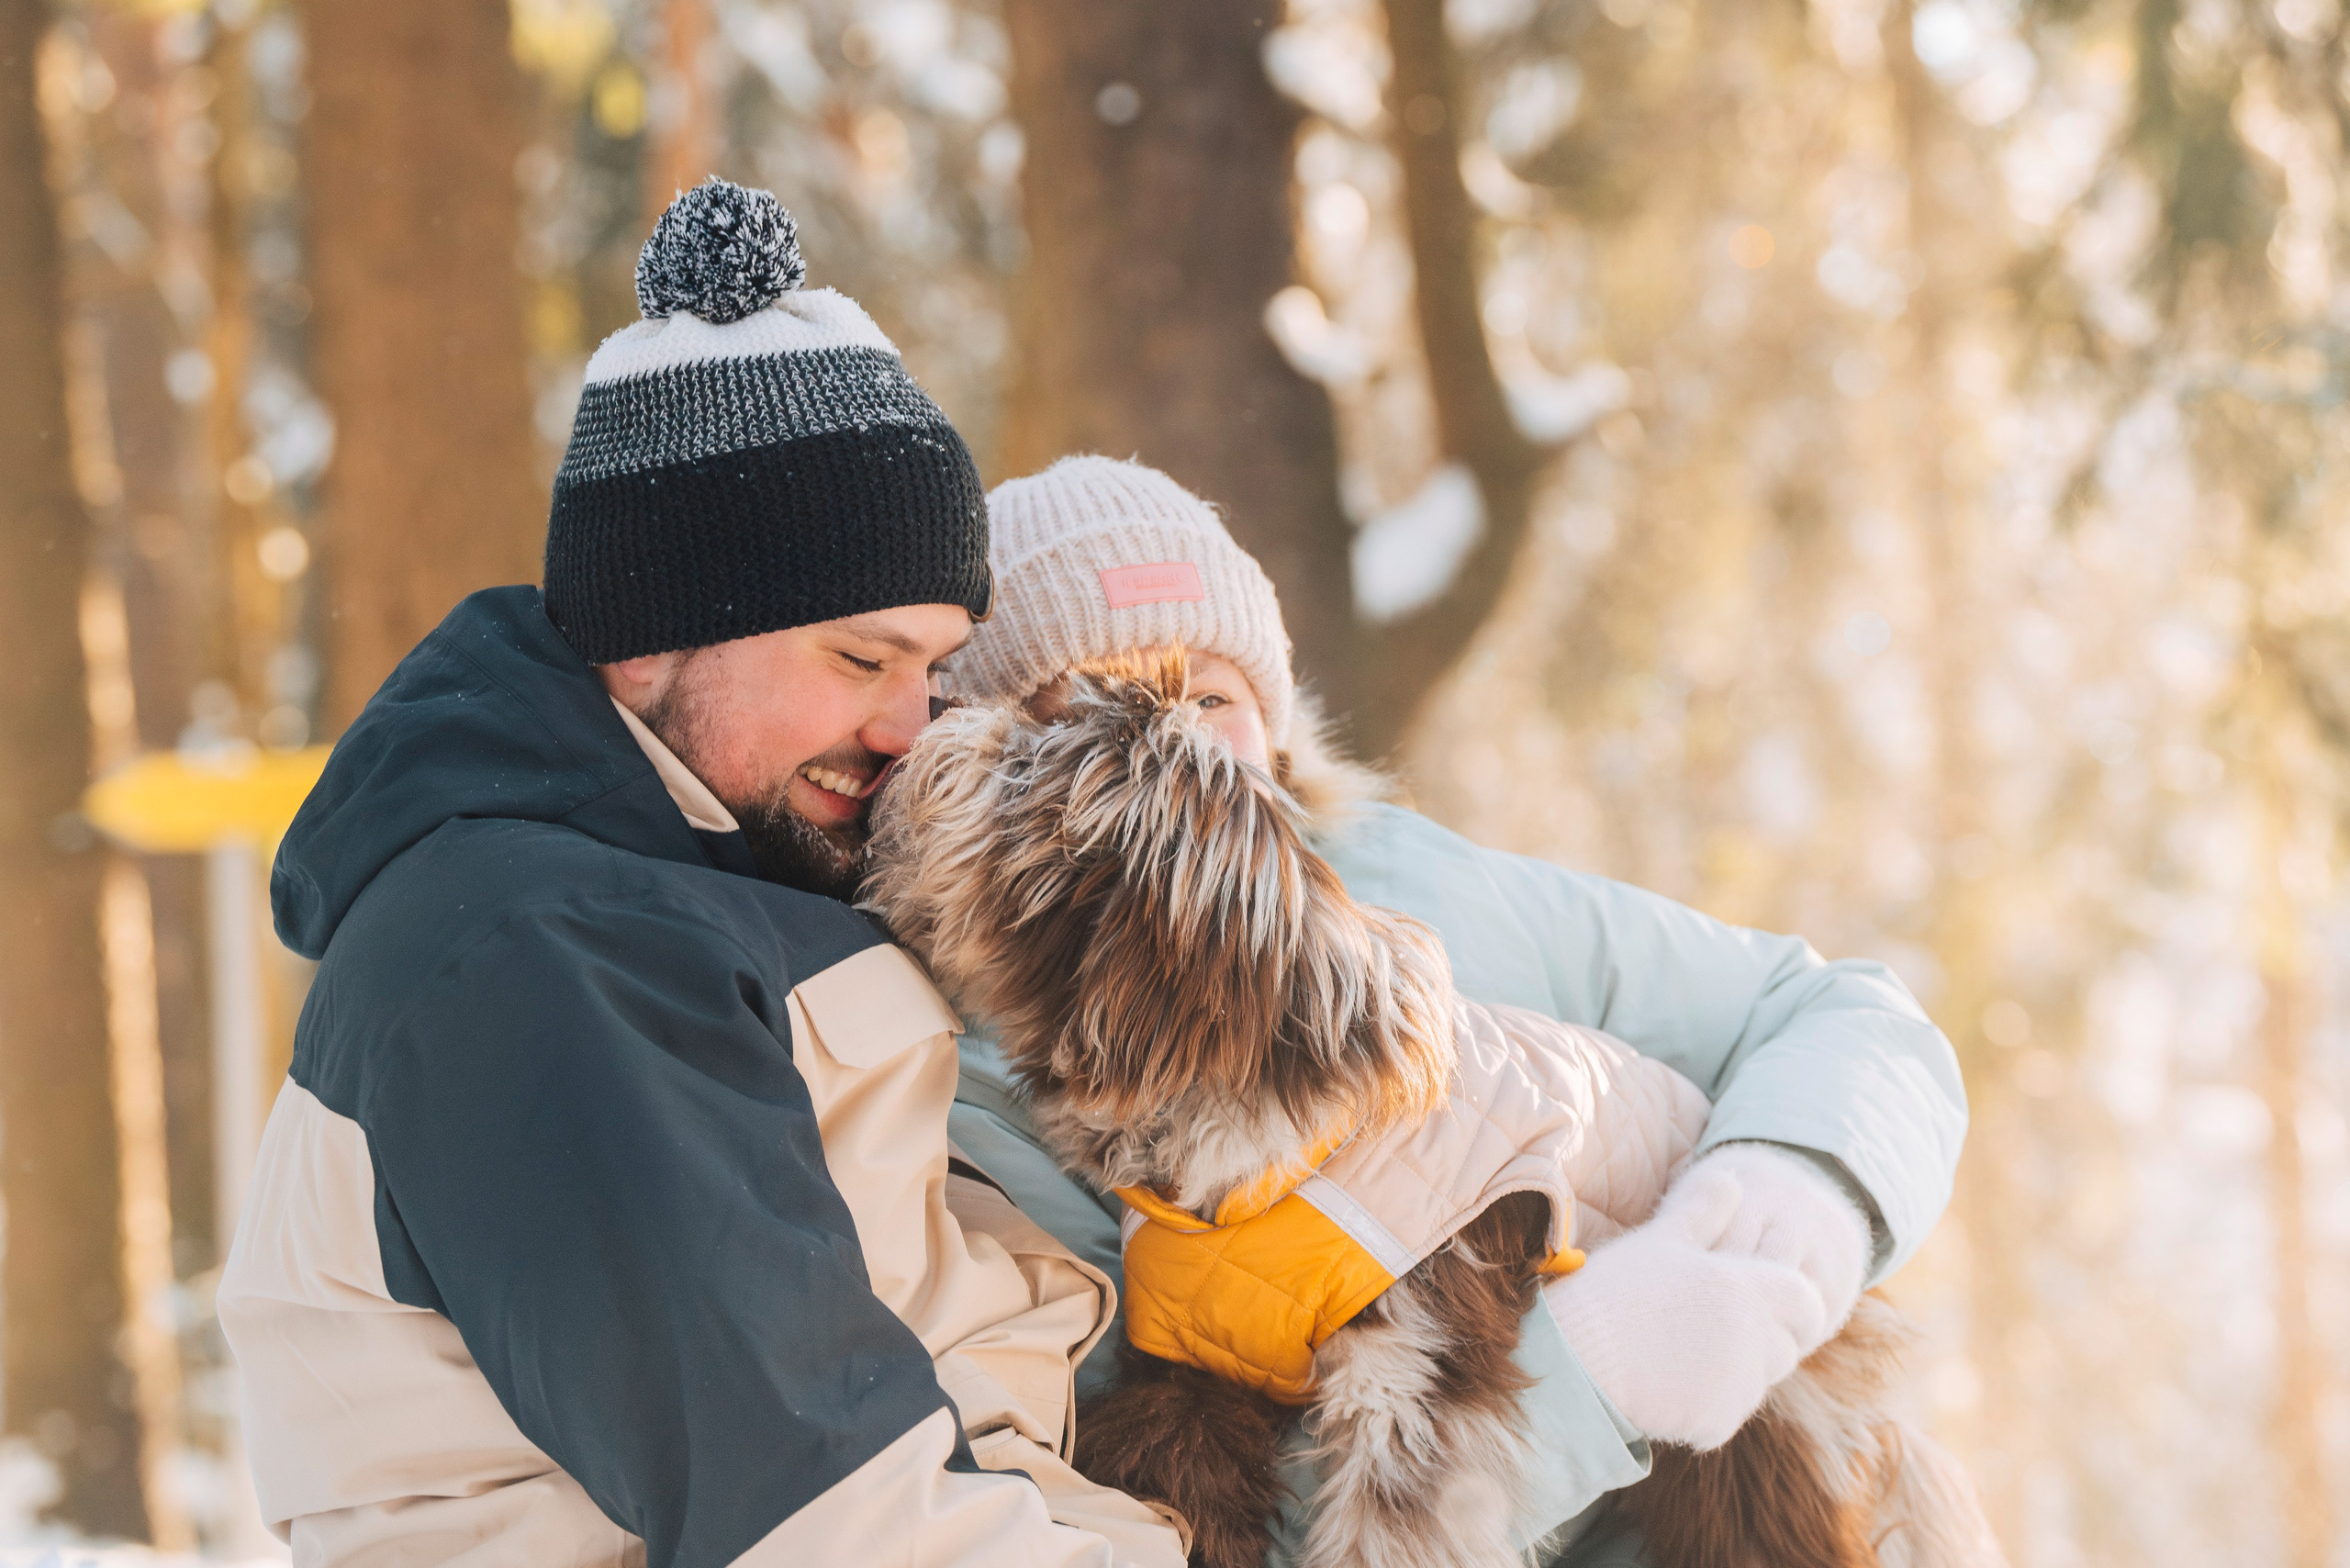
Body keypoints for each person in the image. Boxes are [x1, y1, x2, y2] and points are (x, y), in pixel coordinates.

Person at [218, 185, 1187, 1568]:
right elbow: (826, 1515)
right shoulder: (542, 954)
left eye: (935, 668)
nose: (910, 726)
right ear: (653, 636)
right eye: (862, 659)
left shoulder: (684, 884)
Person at [942, 455, 1970, 1565]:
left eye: (1210, 698)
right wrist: (1599, 1369)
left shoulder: (1415, 880)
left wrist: (1788, 1199)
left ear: (1272, 723)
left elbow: (1838, 1011)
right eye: (1103, 708)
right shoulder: (965, 1095)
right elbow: (1154, 1534)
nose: (1180, 748)